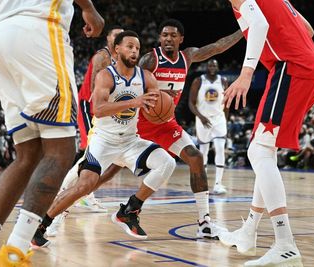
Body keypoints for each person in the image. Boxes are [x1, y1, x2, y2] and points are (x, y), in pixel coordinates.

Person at [38, 19, 244, 242]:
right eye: (164, 35)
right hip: (139, 124)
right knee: (101, 175)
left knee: (195, 158)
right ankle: (61, 211)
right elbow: (129, 81)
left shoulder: (188, 57)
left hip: (165, 123)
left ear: (181, 39)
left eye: (173, 35)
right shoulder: (150, 60)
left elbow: (218, 46)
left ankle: (203, 222)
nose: (168, 39)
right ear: (159, 38)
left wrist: (244, 30)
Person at [0, 0, 104, 266]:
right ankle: (15, 253)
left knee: (28, 155)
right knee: (61, 151)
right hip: (39, 30)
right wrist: (89, 8)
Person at [32, 31, 176, 246]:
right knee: (84, 186)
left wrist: (161, 106)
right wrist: (134, 102)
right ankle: (42, 226)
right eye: (129, 46)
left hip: (130, 141)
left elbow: (154, 108)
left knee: (167, 163)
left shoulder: (146, 77)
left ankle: (129, 211)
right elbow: (98, 109)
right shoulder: (105, 76)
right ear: (117, 49)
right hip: (103, 141)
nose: (134, 51)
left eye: (137, 47)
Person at [218, 0, 314, 266]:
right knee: (263, 150)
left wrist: (245, 75)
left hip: (291, 67)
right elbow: (309, 30)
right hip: (308, 68)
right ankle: (249, 231)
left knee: (258, 151)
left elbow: (260, 24)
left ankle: (285, 244)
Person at [43, 25, 124, 237]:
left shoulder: (122, 61)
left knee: (102, 156)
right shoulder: (102, 57)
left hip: (106, 111)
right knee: (92, 153)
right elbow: (99, 90)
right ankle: (66, 194)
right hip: (90, 106)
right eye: (116, 36)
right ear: (108, 40)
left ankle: (86, 194)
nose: (119, 40)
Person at [188, 59, 229, 195]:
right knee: (203, 152)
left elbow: (227, 102)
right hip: (203, 119)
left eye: (215, 65)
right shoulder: (199, 81)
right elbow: (191, 103)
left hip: (218, 119)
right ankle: (203, 183)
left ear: (218, 67)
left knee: (220, 149)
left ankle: (218, 184)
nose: (212, 67)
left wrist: (225, 119)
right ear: (206, 67)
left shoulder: (223, 81)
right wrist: (200, 117)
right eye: (210, 65)